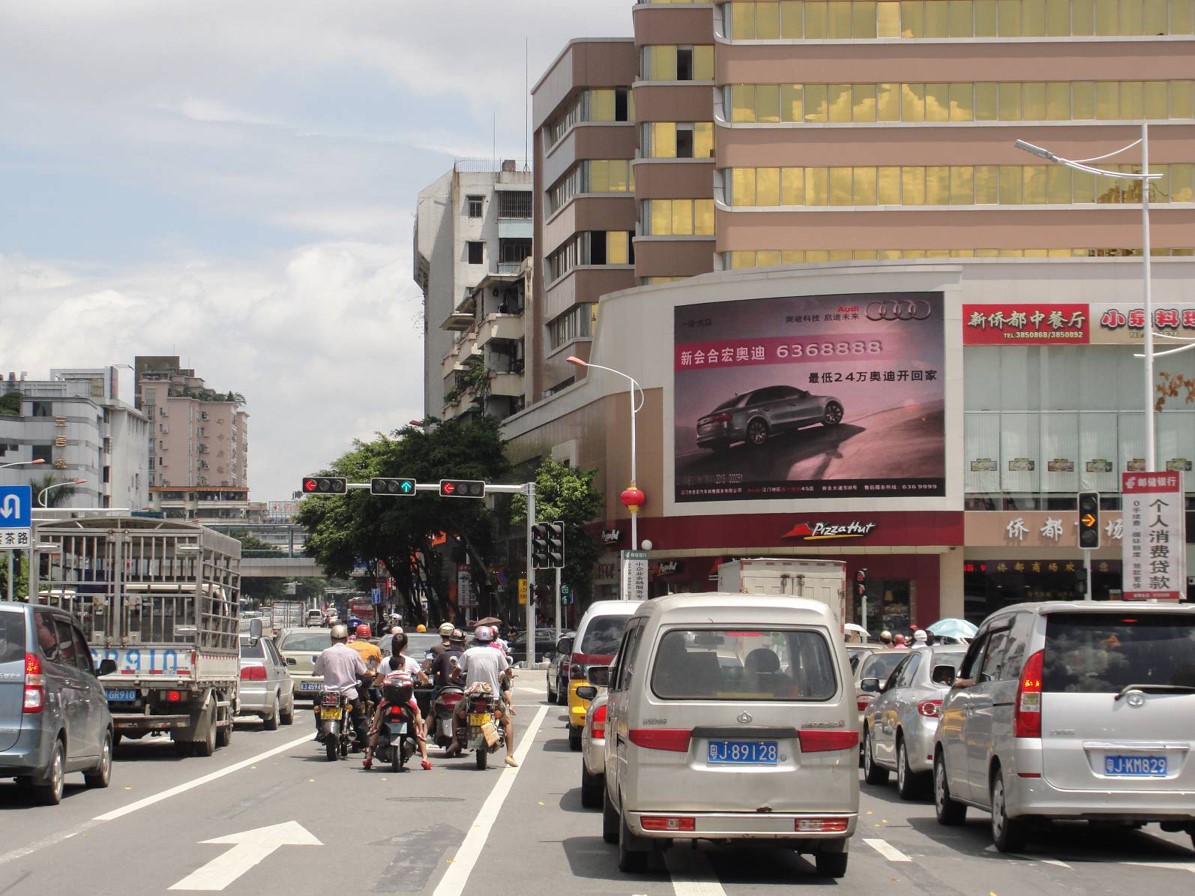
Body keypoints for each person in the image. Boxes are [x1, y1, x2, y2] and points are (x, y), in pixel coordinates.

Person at [452, 625, 517, 767]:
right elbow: (509, 671)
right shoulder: (497, 653)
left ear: (476, 638)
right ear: (491, 638)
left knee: (456, 712)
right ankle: (509, 755)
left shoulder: (469, 652)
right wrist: (505, 675)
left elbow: (457, 671)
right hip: (492, 697)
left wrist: (453, 676)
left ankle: (455, 742)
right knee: (507, 722)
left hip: (471, 696)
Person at [362, 644, 433, 770]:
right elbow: (419, 681)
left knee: (378, 719)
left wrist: (374, 725)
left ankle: (368, 757)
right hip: (407, 703)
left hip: (387, 703)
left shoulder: (388, 675)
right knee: (418, 716)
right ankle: (425, 758)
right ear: (401, 665)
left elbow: (378, 683)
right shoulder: (407, 676)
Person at [311, 624, 372, 749]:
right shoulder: (352, 653)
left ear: (332, 639)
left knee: (317, 706)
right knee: (359, 719)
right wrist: (370, 673)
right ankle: (367, 746)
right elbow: (362, 671)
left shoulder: (325, 653)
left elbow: (316, 671)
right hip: (348, 693)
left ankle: (320, 729)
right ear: (346, 639)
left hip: (327, 693)